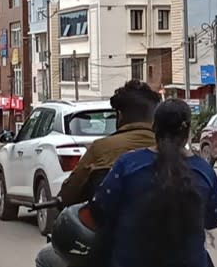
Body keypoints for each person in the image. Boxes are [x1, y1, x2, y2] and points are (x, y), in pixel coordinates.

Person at [35, 80, 161, 267]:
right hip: (169, 248)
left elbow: (69, 194)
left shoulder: (102, 149)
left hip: (113, 249)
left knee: (46, 258)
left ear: (120, 115)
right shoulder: (178, 153)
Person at [89, 98, 217, 267]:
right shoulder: (204, 172)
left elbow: (101, 208)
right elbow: (214, 218)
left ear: (154, 128)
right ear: (188, 132)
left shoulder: (128, 165)